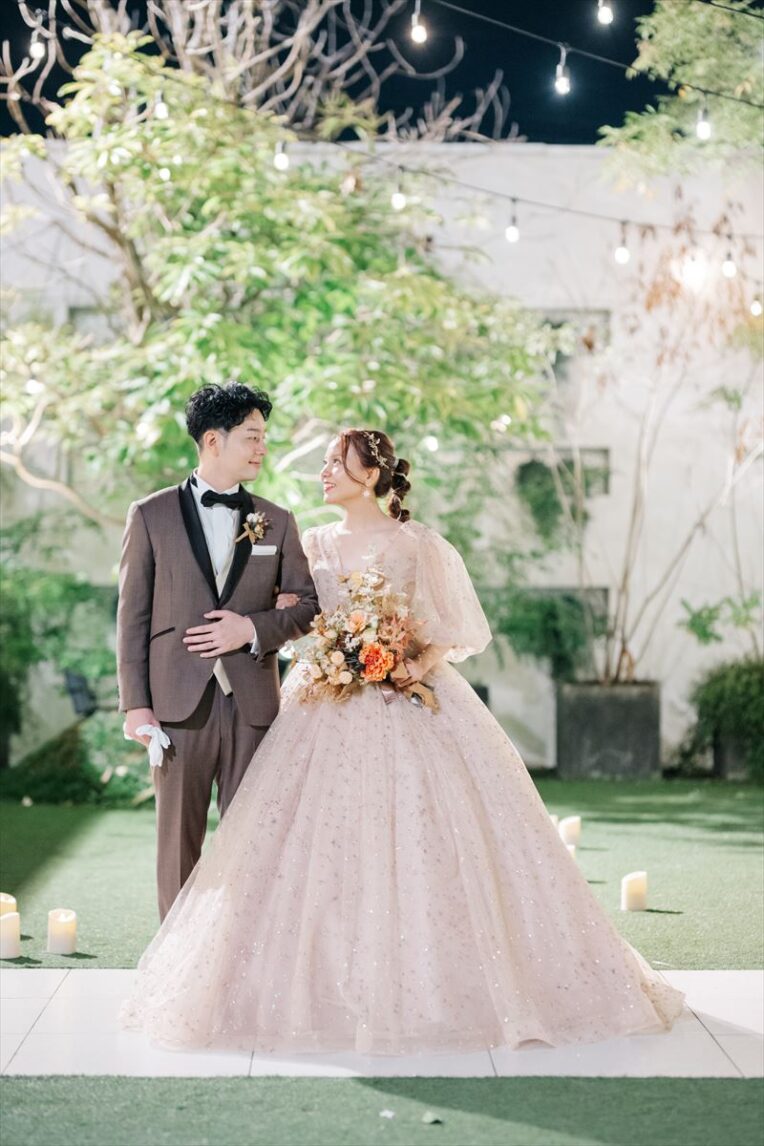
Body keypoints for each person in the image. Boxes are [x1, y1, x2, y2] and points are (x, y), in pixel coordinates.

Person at [121, 427, 684, 1053]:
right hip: (323, 700)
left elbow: (452, 626)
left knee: (432, 834)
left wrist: (410, 662)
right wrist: (313, 643)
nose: (324, 472)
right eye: (325, 462)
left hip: (408, 698)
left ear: (371, 474)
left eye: (336, 463)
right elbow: (298, 614)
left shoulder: (419, 544)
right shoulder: (310, 541)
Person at [116, 382, 318, 920]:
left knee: (253, 841)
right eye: (252, 436)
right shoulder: (151, 515)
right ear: (213, 440)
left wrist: (250, 629)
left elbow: (309, 606)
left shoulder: (277, 520)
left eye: (264, 437)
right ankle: (174, 959)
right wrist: (136, 705)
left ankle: (243, 953)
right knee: (176, 844)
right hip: (177, 705)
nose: (262, 448)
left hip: (253, 703)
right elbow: (132, 617)